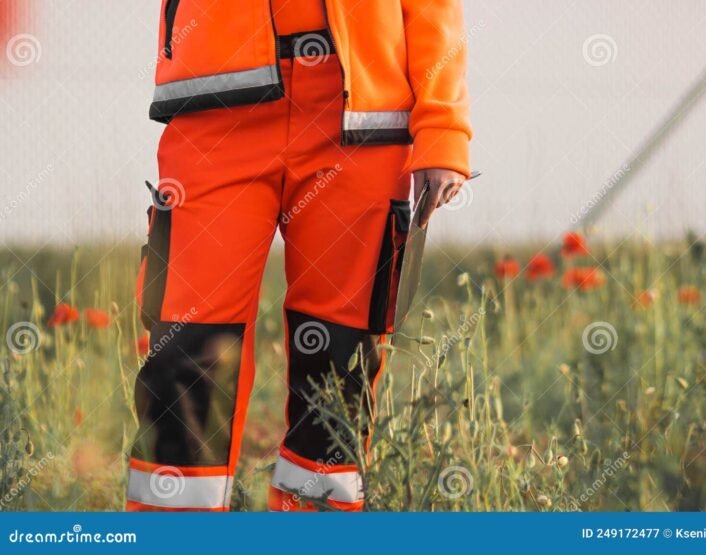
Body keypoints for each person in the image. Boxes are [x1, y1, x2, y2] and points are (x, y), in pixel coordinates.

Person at [126, 0, 472, 512]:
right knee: (188, 341)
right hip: (217, 108)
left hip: (361, 119)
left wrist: (443, 129)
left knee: (338, 349)